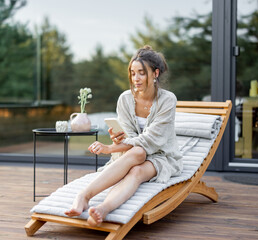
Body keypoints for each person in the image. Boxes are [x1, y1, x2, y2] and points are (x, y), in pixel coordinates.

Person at [65, 45, 183, 227]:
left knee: (138, 164)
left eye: (142, 73)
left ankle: (103, 208)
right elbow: (129, 137)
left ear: (155, 73)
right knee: (138, 154)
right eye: (133, 73)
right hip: (132, 153)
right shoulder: (125, 99)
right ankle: (83, 196)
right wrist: (117, 141)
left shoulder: (168, 100)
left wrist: (110, 148)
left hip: (161, 155)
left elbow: (151, 140)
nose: (136, 78)